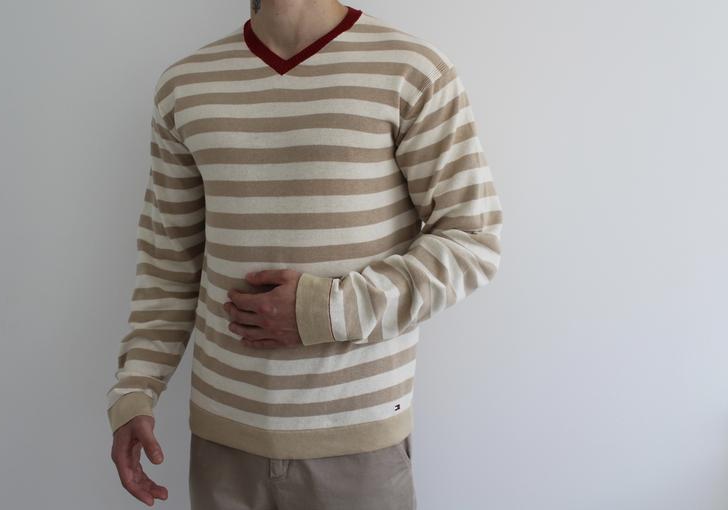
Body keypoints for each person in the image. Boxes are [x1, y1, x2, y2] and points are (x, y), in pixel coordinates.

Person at [106, 1, 504, 508]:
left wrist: (327, 310)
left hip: (357, 441)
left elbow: (472, 238)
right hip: (223, 444)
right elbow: (168, 261)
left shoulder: (412, 71)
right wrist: (135, 389)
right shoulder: (186, 86)